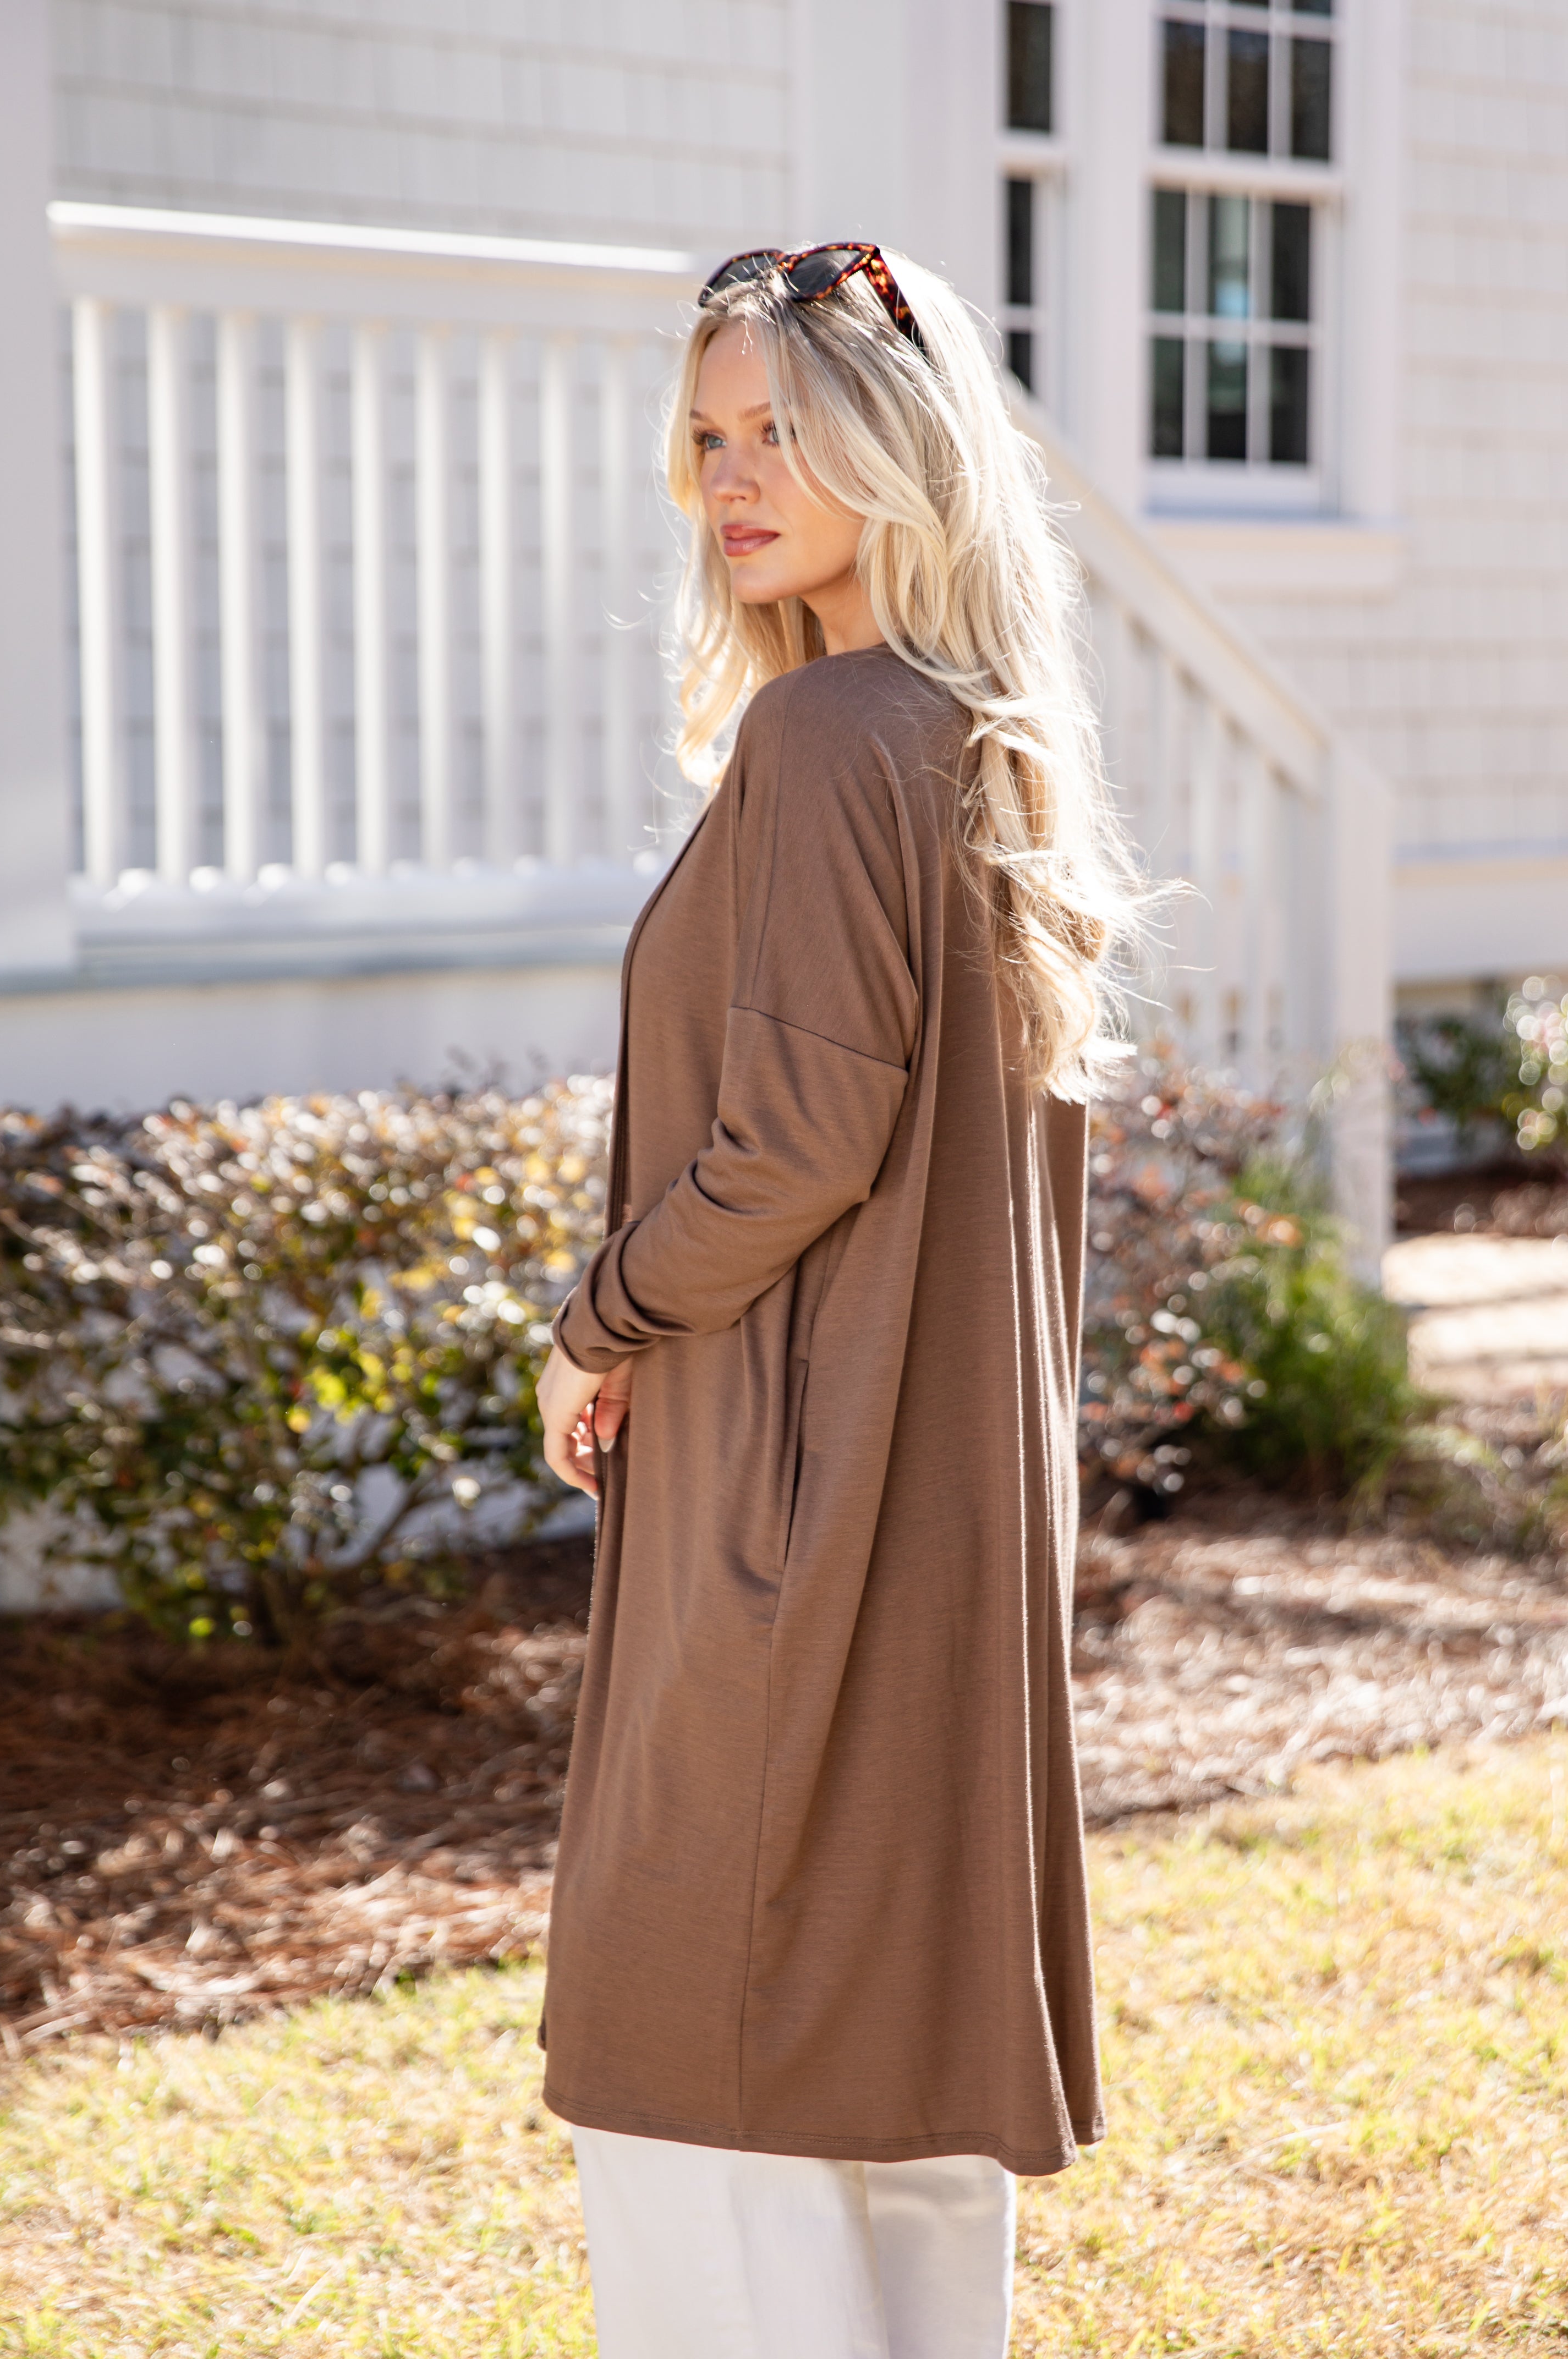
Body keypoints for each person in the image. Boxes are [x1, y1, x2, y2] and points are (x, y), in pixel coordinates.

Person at [533, 239, 1141, 2359]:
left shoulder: (823, 738)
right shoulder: (975, 739)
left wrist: (599, 1318)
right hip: (930, 1519)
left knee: (703, 2036)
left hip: (790, 1501)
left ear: (902, 447)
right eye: (705, 435)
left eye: (778, 428)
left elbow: (789, 1148)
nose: (729, 476)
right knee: (886, 2086)